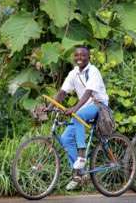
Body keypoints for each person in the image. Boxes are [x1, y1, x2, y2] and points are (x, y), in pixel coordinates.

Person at [41, 45, 109, 190]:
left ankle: (82, 155)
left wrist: (74, 108)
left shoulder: (93, 71)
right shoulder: (73, 73)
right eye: (77, 55)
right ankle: (79, 174)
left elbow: (88, 92)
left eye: (83, 55)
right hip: (84, 109)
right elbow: (62, 92)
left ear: (88, 57)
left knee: (78, 115)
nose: (79, 58)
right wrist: (50, 107)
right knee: (65, 139)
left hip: (99, 106)